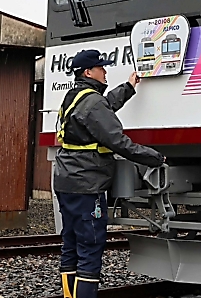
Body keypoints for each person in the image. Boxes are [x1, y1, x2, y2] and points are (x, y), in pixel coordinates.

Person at [54, 49, 164, 298]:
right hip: (87, 184)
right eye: (101, 67)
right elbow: (119, 142)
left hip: (66, 180)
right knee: (90, 246)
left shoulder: (75, 96)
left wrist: (129, 87)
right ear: (88, 72)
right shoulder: (93, 102)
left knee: (71, 244)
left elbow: (104, 107)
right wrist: (155, 158)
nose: (105, 71)